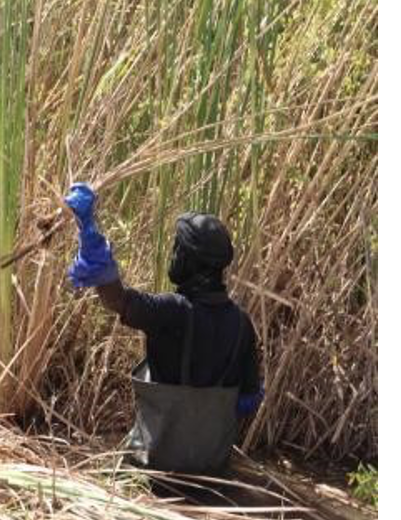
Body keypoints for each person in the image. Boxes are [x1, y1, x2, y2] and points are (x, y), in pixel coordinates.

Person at [64, 182, 262, 475]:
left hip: (156, 466)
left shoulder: (172, 311)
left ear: (186, 260)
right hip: (211, 469)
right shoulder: (242, 324)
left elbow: (115, 298)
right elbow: (247, 400)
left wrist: (90, 234)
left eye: (176, 249)